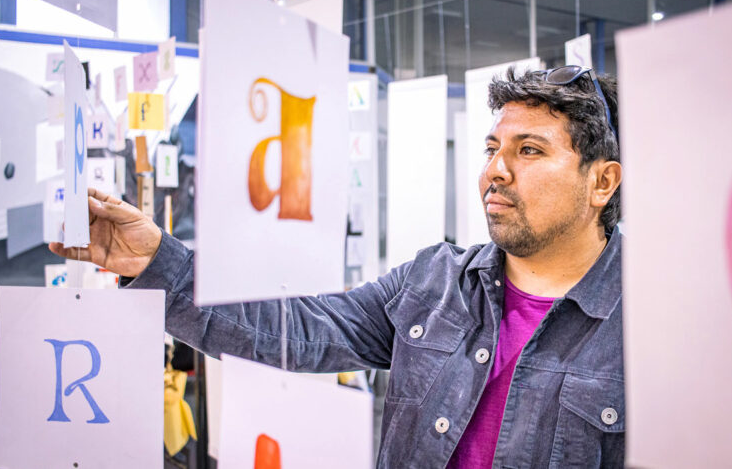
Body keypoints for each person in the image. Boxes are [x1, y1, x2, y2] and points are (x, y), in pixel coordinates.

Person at [49, 65, 623, 468]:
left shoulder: (651, 329)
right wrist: (157, 261)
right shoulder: (434, 284)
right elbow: (298, 329)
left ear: (601, 182)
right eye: (492, 149)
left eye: (529, 150)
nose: (496, 170)